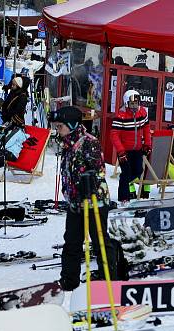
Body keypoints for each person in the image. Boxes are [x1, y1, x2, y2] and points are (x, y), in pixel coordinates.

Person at [49, 106, 120, 291]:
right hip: (75, 202)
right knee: (72, 241)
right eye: (57, 127)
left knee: (99, 241)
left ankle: (110, 280)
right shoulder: (67, 143)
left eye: (60, 126)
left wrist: (87, 183)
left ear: (71, 124)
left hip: (94, 200)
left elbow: (98, 170)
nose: (58, 130)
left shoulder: (89, 142)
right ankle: (69, 280)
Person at [111, 90, 152, 202]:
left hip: (137, 149)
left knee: (138, 170)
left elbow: (146, 129)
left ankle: (125, 184)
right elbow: (114, 135)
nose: (135, 106)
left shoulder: (142, 112)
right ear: (126, 103)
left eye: (136, 103)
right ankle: (123, 198)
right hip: (124, 150)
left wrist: (147, 144)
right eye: (132, 104)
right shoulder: (121, 116)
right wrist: (120, 151)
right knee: (126, 172)